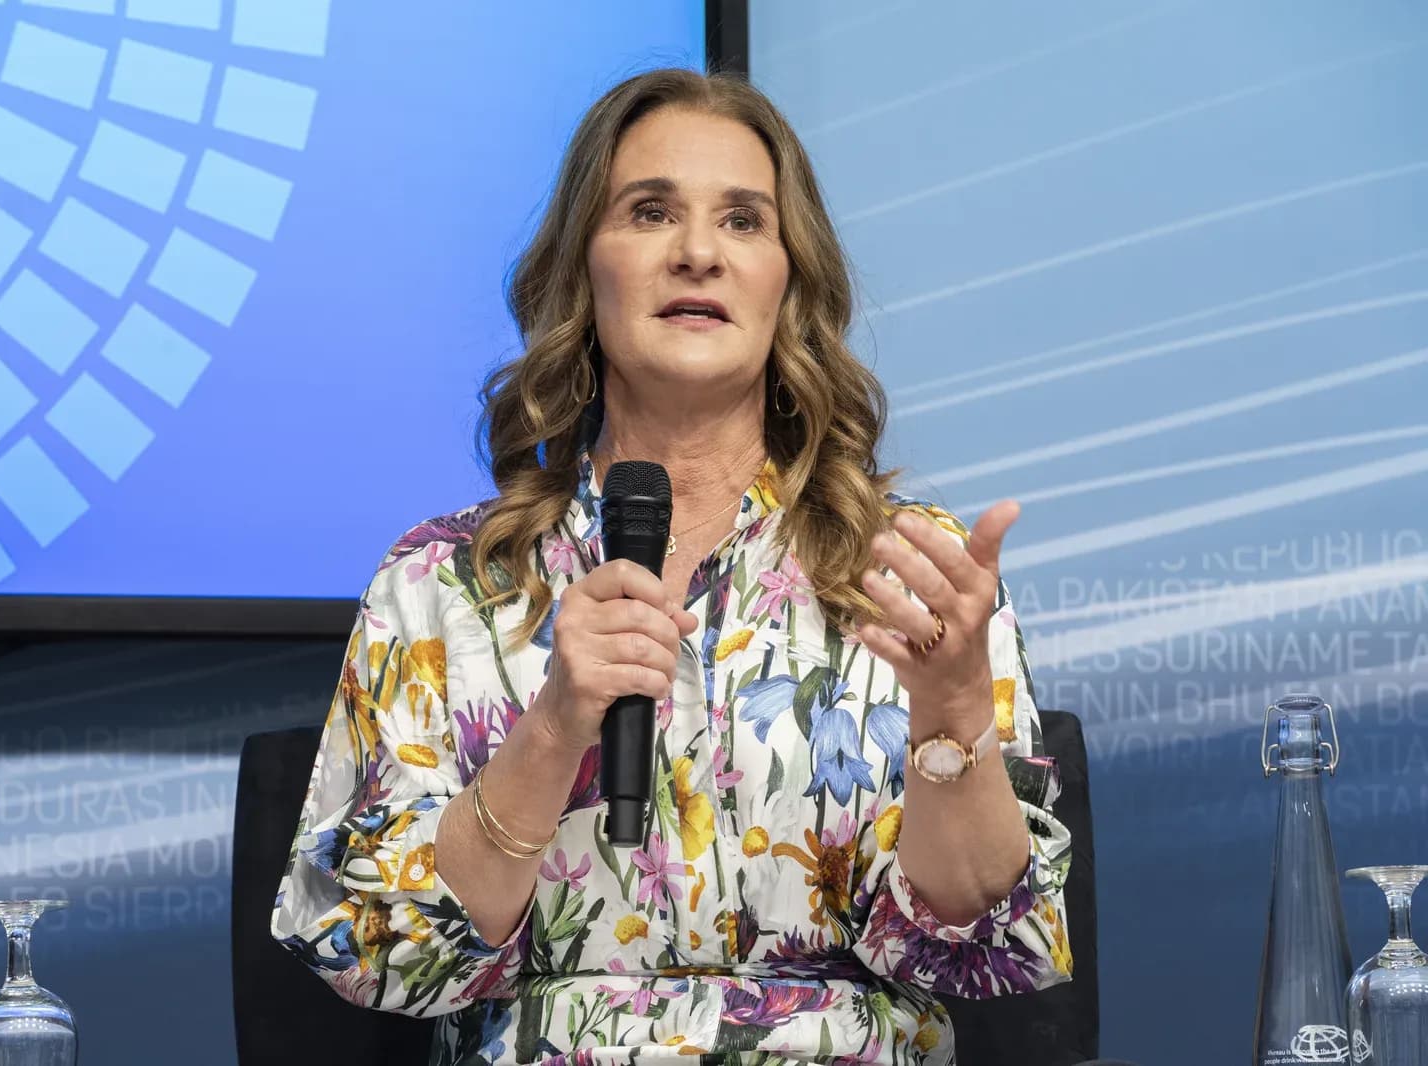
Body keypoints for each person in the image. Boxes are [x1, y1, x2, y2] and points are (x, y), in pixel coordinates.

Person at [272, 67, 1071, 1066]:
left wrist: (952, 714)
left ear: (789, 281)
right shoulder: (443, 583)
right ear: (583, 269)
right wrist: (556, 723)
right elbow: (384, 959)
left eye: (743, 221)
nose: (697, 252)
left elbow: (984, 950)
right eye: (651, 212)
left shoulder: (913, 573)